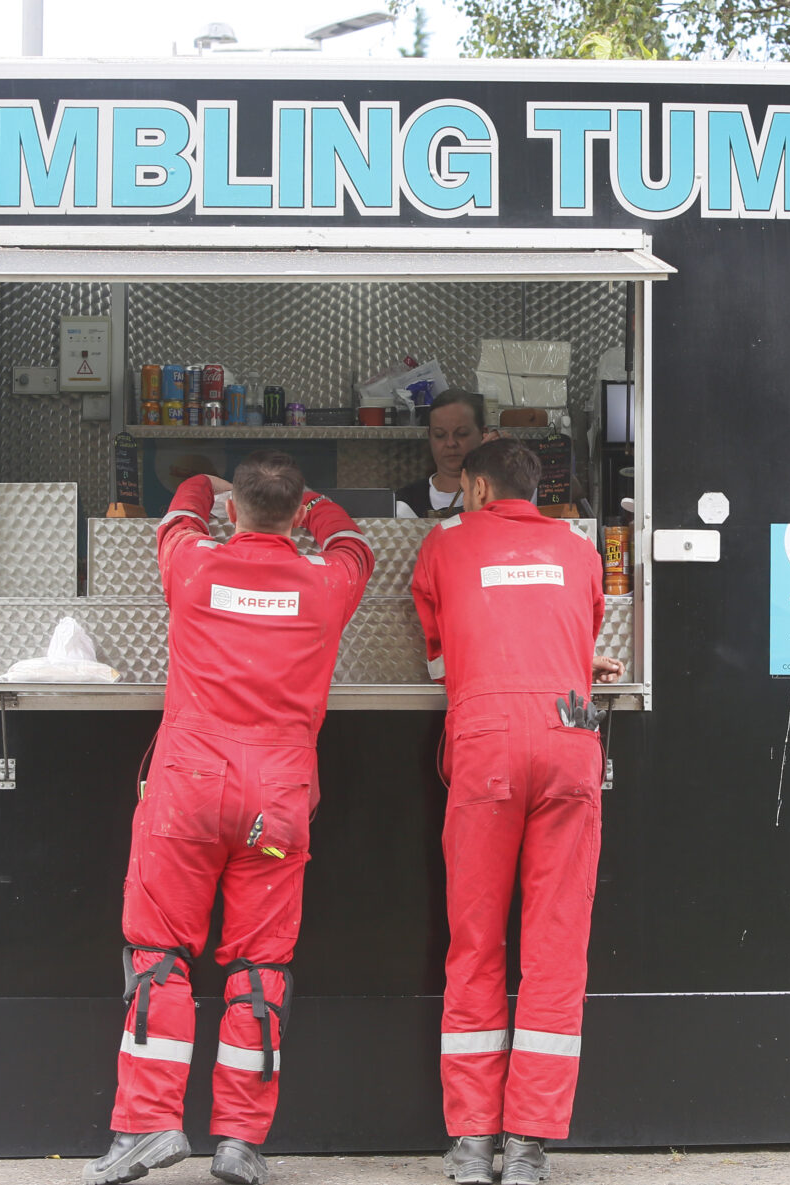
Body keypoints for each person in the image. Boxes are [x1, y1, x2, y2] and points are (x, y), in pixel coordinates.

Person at [84, 451, 373, 1185]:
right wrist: (311, 506)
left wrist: (205, 486)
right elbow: (355, 543)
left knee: (159, 954)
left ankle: (147, 1125)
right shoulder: (324, 583)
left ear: (235, 510)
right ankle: (240, 1140)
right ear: (296, 510)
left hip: (187, 788)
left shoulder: (194, 566)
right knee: (259, 963)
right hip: (276, 802)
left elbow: (178, 514)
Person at [410, 437, 625, 1185]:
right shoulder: (579, 548)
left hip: (488, 746)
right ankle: (529, 1146)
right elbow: (576, 631)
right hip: (570, 739)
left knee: (475, 945)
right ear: (538, 493)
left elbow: (439, 658)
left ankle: (473, 1143)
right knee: (556, 947)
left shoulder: (444, 544)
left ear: (472, 488)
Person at [396, 390, 497, 519]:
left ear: (483, 433)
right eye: (440, 435)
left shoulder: (498, 494)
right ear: (430, 437)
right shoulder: (405, 501)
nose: (450, 443)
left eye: (462, 433)